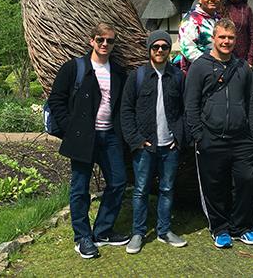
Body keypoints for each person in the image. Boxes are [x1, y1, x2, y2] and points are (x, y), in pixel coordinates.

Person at [47, 22, 128, 258]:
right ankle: (82, 237)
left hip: (110, 135)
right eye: (100, 39)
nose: (105, 44)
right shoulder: (74, 68)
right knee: (80, 188)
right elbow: (56, 100)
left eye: (110, 41)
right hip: (84, 137)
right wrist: (70, 128)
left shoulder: (118, 72)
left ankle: (102, 230)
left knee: (118, 182)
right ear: (91, 40)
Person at [185, 18, 253, 248]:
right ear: (214, 38)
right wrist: (199, 134)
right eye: (222, 37)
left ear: (236, 40)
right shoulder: (200, 66)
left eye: (230, 38)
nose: (226, 41)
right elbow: (191, 103)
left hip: (241, 138)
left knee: (245, 182)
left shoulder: (243, 68)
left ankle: (241, 227)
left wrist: (252, 133)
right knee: (214, 185)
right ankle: (219, 228)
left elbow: (251, 102)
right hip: (212, 137)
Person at [121, 30, 187, 253]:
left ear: (169, 50)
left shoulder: (177, 76)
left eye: (164, 47)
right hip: (145, 146)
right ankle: (138, 233)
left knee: (167, 189)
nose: (160, 50)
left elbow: (185, 110)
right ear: (149, 49)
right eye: (156, 46)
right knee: (140, 190)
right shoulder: (137, 76)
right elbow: (126, 110)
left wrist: (179, 138)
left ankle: (164, 231)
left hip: (170, 145)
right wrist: (136, 140)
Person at [178, 0, 221, 73]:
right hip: (198, 70)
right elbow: (188, 49)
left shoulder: (218, 19)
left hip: (218, 68)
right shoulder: (191, 19)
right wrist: (210, 65)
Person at [221, 0, 253, 65]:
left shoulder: (247, 9)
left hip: (242, 59)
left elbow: (251, 36)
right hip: (223, 57)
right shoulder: (220, 8)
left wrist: (250, 59)